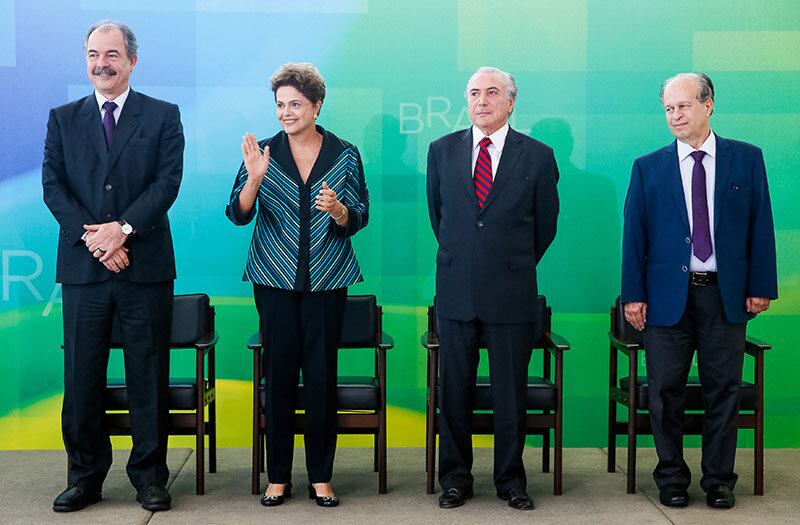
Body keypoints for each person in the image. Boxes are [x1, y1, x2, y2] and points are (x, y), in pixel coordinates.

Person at [42, 20, 184, 512]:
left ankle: (150, 478)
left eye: (111, 55)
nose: (101, 64)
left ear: (132, 61)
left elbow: (166, 183)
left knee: (148, 375)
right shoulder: (63, 118)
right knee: (81, 377)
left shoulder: (163, 115)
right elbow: (54, 187)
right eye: (93, 55)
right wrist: (97, 239)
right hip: (84, 270)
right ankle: (85, 478)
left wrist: (122, 230)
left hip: (144, 268)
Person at [621, 73, 778, 509]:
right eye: (669, 108)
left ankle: (719, 480)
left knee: (723, 390)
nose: (675, 115)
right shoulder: (648, 167)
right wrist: (633, 294)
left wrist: (761, 285)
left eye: (684, 106)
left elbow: (760, 223)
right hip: (666, 298)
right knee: (665, 391)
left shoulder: (746, 159)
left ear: (708, 105)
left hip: (724, 295)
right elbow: (634, 235)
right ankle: (671, 477)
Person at [226, 62, 369, 508]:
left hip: (328, 280)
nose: (286, 112)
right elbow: (238, 214)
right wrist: (253, 179)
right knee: (280, 377)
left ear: (317, 105)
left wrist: (340, 212)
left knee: (322, 378)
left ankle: (321, 478)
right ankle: (279, 478)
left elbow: (360, 214)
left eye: (295, 104)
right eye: (280, 105)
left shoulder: (345, 154)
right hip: (274, 280)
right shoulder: (262, 153)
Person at [426, 66, 559, 510]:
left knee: (510, 394)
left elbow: (545, 226)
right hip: (456, 290)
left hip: (512, 291)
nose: (481, 101)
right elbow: (439, 216)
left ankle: (510, 481)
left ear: (511, 101)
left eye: (491, 92)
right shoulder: (441, 150)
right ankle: (455, 480)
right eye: (473, 93)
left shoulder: (537, 155)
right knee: (454, 392)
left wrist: (511, 263)